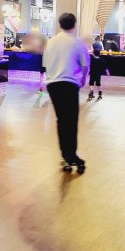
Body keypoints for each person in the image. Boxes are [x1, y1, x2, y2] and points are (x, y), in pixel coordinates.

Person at [43, 13, 88, 173]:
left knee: (62, 120)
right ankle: (71, 155)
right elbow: (85, 65)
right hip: (70, 84)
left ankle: (66, 156)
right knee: (71, 121)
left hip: (53, 85)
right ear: (74, 25)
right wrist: (82, 79)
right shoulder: (77, 42)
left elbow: (45, 65)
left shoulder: (51, 42)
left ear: (60, 24)